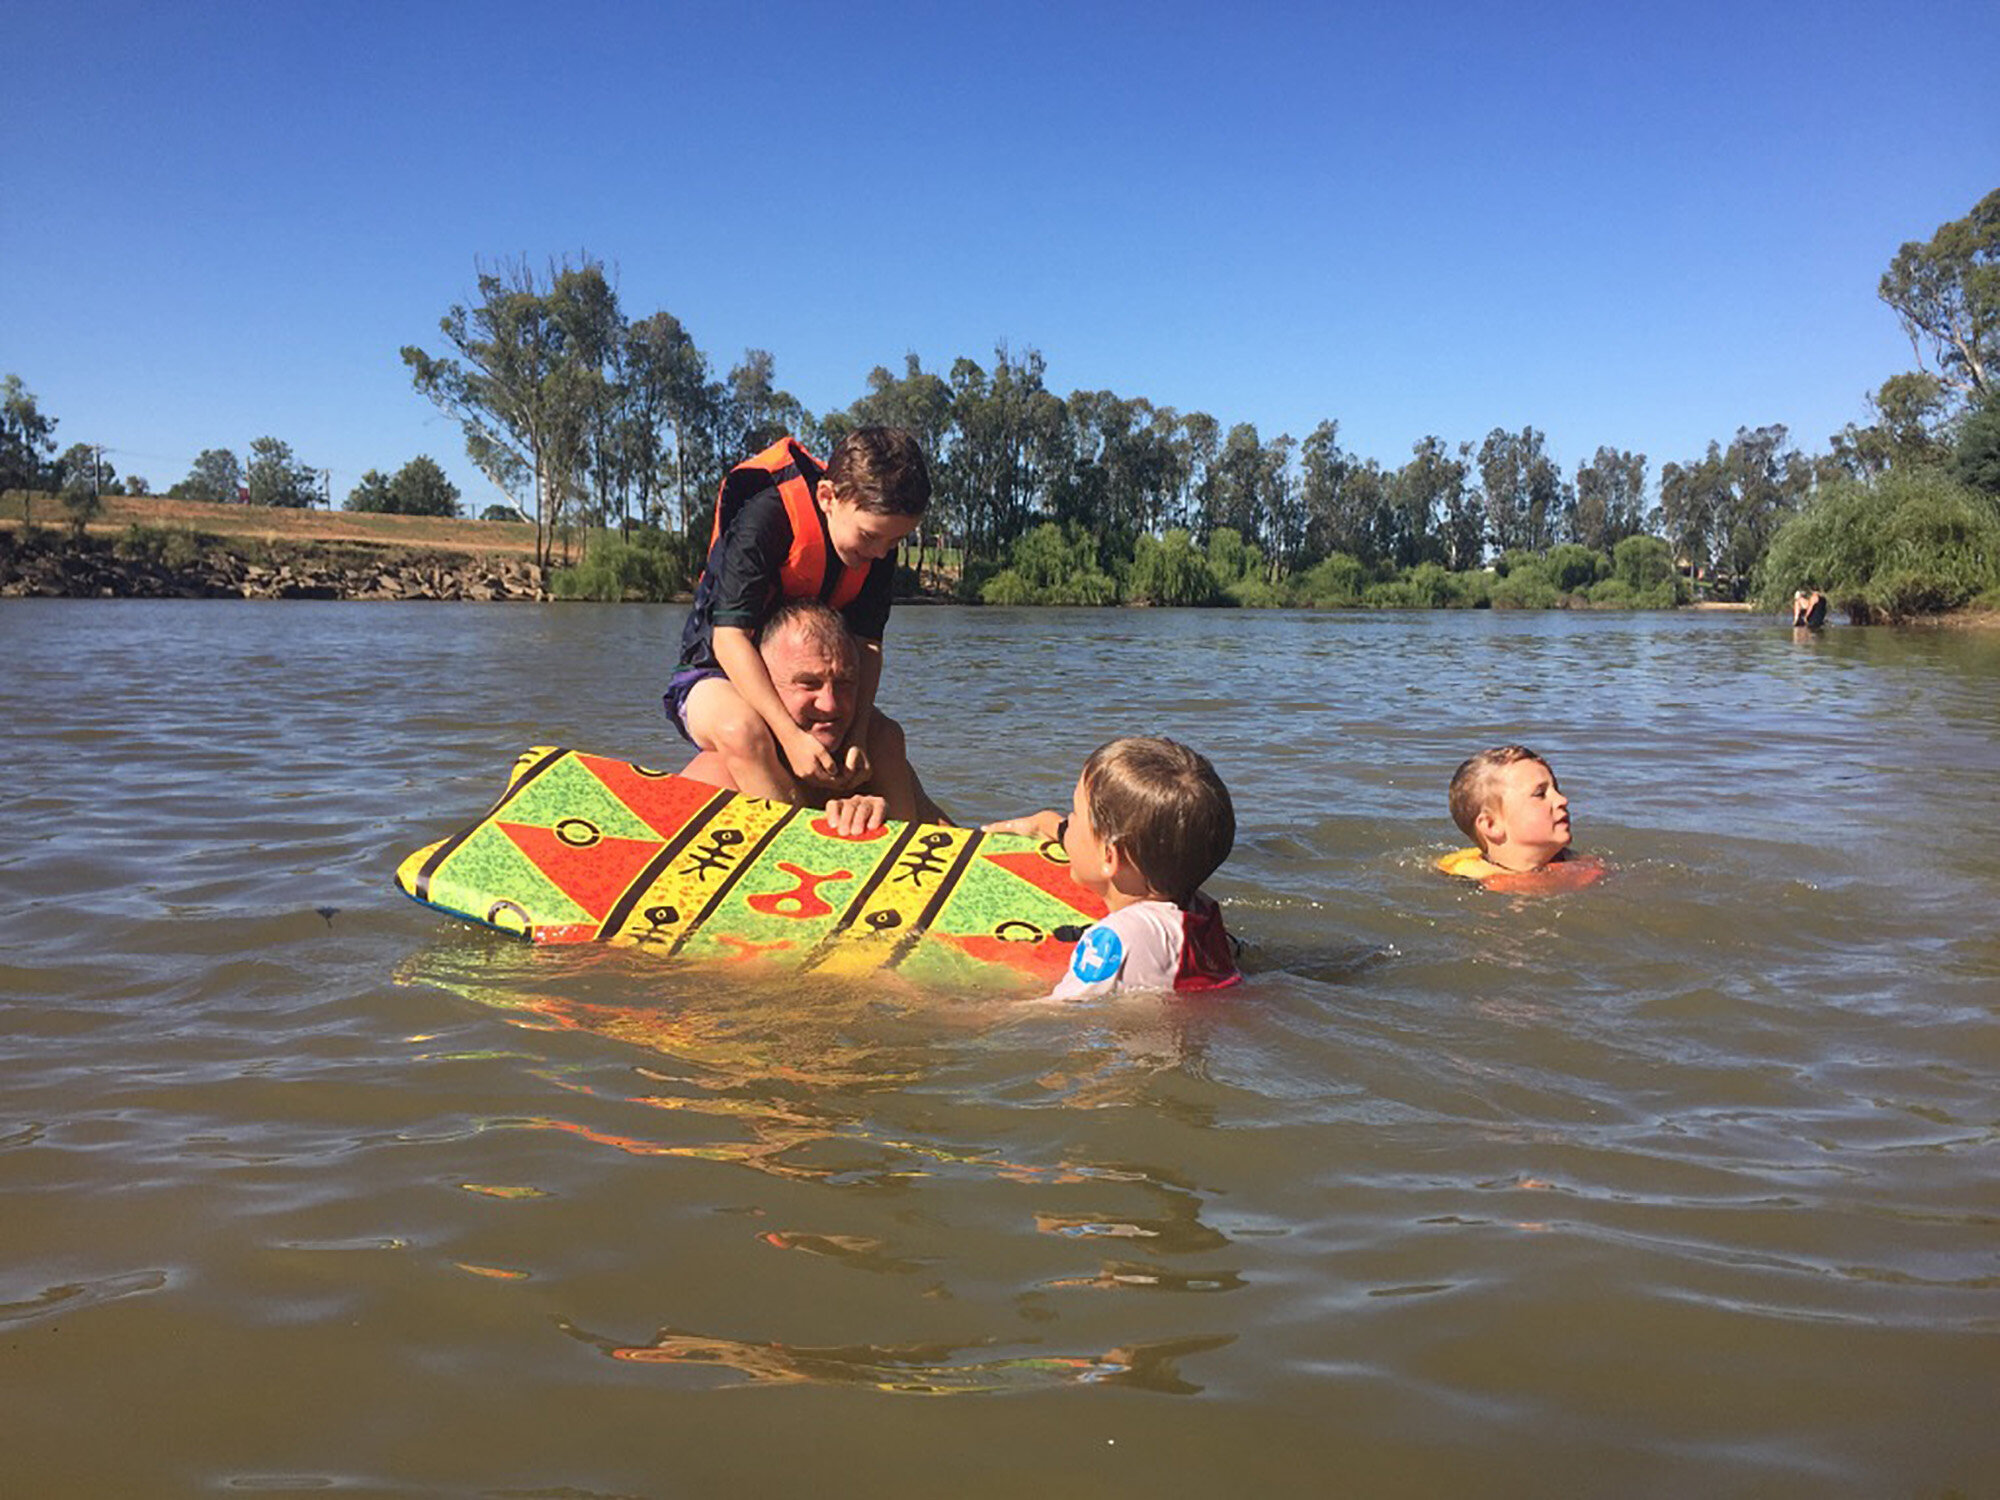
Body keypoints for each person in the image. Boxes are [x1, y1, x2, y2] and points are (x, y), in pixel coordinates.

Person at [664, 426, 930, 814]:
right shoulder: (767, 517)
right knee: (745, 731)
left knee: (885, 736)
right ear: (828, 497)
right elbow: (728, 639)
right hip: (710, 676)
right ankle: (793, 840)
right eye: (870, 537)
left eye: (893, 542)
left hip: (797, 683)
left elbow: (867, 645)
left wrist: (856, 734)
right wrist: (790, 738)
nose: (880, 553)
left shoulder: (880, 544)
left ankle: (911, 850)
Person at [984, 736, 1240, 998]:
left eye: (1074, 815)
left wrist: (957, 1011)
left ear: (1109, 857)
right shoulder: (1196, 904)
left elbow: (1056, 1012)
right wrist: (1046, 825)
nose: (1067, 822)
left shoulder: (1117, 938)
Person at [679, 599, 944, 835]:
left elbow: (951, 841)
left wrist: (876, 822)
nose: (830, 705)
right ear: (763, 686)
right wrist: (841, 837)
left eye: (844, 683)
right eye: (808, 684)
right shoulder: (716, 779)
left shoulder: (873, 754)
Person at [1438, 744, 1606, 893]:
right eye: (1540, 794)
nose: (1562, 800)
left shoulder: (1585, 866)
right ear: (1491, 825)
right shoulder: (1471, 881)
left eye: (1557, 789)